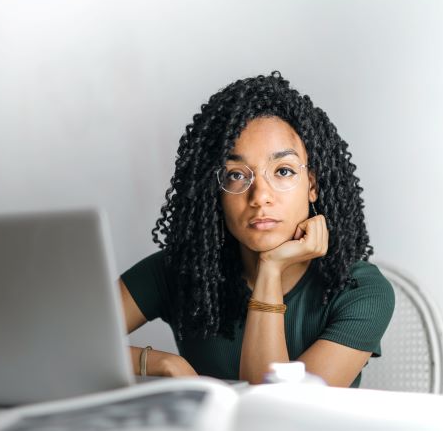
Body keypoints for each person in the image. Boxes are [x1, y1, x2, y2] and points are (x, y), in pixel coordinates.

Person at [119, 71, 395, 387]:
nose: (260, 196)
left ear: (312, 186)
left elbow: (278, 415)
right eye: (236, 175)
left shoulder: (360, 290)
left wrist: (271, 269)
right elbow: (59, 342)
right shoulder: (183, 270)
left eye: (283, 171)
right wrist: (163, 362)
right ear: (216, 192)